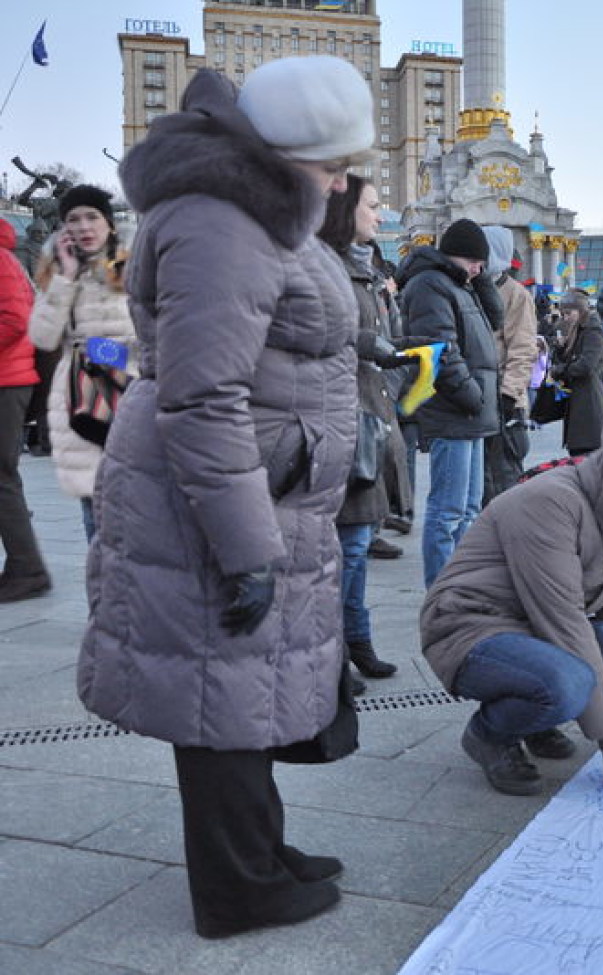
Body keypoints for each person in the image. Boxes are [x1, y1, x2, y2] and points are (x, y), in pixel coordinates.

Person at [78, 57, 376, 938]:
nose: (340, 182)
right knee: (219, 697)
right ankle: (238, 887)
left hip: (254, 486)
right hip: (217, 499)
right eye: (331, 164)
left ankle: (259, 852)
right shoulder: (222, 221)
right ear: (289, 152)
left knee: (241, 691)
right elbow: (204, 396)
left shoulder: (251, 211)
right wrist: (247, 546)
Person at [421, 412, 603, 797]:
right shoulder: (548, 505)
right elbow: (566, 627)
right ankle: (490, 734)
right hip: (470, 628)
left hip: (534, 626)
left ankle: (535, 716)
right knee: (568, 684)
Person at [317, 175, 401, 687]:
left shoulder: (365, 268)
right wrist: (367, 341)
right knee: (344, 545)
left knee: (356, 541)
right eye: (372, 205)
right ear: (346, 211)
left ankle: (357, 640)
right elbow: (319, 326)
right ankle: (336, 652)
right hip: (338, 413)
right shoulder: (327, 266)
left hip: (368, 411)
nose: (379, 214)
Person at [27, 185, 135, 541]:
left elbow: (152, 337)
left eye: (92, 217)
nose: (84, 226)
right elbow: (42, 337)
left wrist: (97, 351)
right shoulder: (58, 273)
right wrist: (66, 278)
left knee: (136, 508)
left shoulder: (132, 264)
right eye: (73, 219)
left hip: (133, 394)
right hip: (81, 400)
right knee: (95, 514)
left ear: (109, 222)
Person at [396, 218, 500, 589]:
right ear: (460, 256)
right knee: (448, 511)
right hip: (455, 409)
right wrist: (472, 395)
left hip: (471, 411)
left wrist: (479, 278)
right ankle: (442, 594)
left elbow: (495, 319)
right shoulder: (429, 285)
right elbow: (439, 348)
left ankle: (462, 589)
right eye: (476, 261)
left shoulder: (459, 284)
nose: (480, 269)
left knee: (468, 510)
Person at [0, 215, 50, 602]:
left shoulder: (2, 259)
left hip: (7, 381)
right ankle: (24, 564)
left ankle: (27, 568)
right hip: (10, 379)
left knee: (2, 478)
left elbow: (15, 319)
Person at [481, 226, 537, 502]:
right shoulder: (472, 287)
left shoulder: (516, 294)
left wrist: (509, 392)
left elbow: (523, 349)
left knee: (504, 476)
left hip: (505, 401)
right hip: (476, 397)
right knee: (480, 481)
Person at [551, 288, 603, 456]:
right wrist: (560, 348)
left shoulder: (593, 330)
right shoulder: (578, 329)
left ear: (581, 310)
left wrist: (560, 371)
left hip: (589, 399)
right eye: (564, 314)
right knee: (579, 451)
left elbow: (586, 365)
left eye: (569, 313)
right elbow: (570, 360)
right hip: (580, 397)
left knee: (586, 452)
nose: (566, 318)